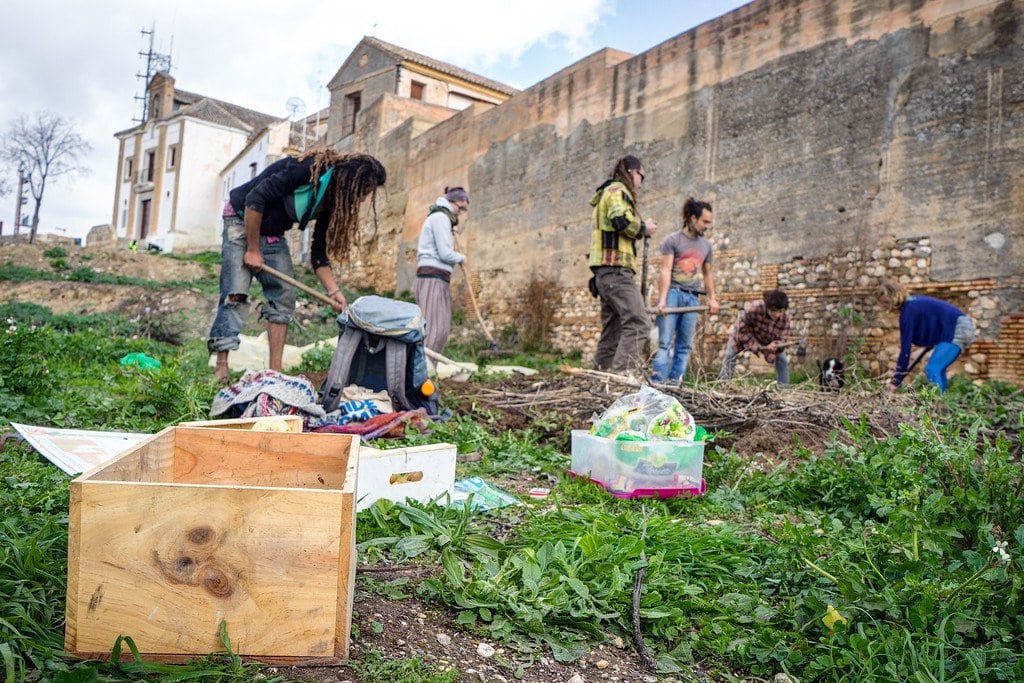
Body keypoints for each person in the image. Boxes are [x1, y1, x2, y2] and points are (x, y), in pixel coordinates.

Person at [207, 149, 387, 383]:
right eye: (363, 191)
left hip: (271, 233)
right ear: (352, 180)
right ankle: (221, 368)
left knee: (283, 298)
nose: (361, 198)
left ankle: (275, 373)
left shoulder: (332, 201)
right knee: (236, 293)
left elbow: (318, 255)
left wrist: (335, 292)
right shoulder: (307, 170)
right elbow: (255, 199)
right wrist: (252, 249)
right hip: (241, 219)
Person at [588, 155, 656, 374]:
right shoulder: (618, 191)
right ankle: (619, 381)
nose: (641, 183)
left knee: (614, 331)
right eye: (641, 177)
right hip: (616, 271)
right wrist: (643, 228)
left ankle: (599, 381)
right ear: (632, 172)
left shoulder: (607, 192)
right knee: (638, 323)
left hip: (605, 275)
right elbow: (620, 220)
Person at [651, 197, 720, 382]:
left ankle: (675, 386)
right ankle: (657, 386)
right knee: (664, 343)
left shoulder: (706, 246)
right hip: (673, 293)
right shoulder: (672, 240)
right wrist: (662, 300)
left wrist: (712, 298)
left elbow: (707, 275)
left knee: (684, 346)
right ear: (692, 218)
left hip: (693, 298)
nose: (707, 226)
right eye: (705, 221)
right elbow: (665, 270)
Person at [878, 281, 976, 393]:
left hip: (957, 328)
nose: (883, 306)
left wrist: (895, 382)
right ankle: (943, 401)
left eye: (886, 302)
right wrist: (898, 380)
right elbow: (929, 337)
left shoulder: (908, 312)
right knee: (939, 369)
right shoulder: (913, 305)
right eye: (881, 303)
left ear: (895, 297)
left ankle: (936, 405)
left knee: (932, 368)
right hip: (957, 327)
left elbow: (905, 351)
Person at [414, 187, 470, 353]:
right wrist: (461, 258)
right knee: (434, 329)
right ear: (451, 202)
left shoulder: (444, 220)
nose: (461, 213)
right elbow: (445, 253)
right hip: (432, 276)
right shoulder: (440, 218)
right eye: (461, 208)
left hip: (440, 277)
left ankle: (430, 370)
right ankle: (423, 373)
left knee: (442, 329)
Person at [718, 289, 792, 384]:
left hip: (768, 340)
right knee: (730, 355)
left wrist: (776, 345)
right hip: (746, 337)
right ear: (767, 307)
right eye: (773, 311)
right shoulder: (754, 308)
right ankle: (723, 385)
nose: (777, 315)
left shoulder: (786, 317)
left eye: (780, 311)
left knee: (783, 360)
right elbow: (740, 330)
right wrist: (754, 345)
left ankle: (784, 391)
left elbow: (783, 337)